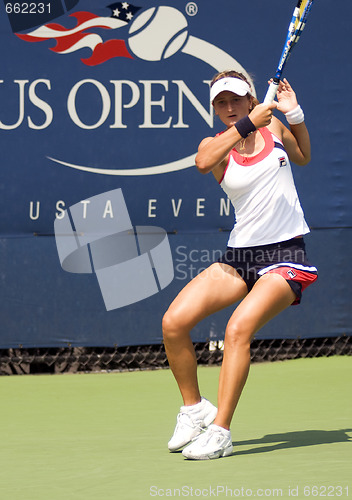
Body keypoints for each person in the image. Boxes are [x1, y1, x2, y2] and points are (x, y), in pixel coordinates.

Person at [162, 70, 318, 460]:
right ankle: (195, 409)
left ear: (250, 98)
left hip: (285, 255)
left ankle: (221, 431)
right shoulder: (214, 144)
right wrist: (249, 122)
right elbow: (202, 163)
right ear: (215, 109)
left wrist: (294, 114)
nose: (229, 107)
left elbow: (304, 156)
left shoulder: (275, 128)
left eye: (236, 100)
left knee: (237, 330)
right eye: (221, 102)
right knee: (173, 322)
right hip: (240, 257)